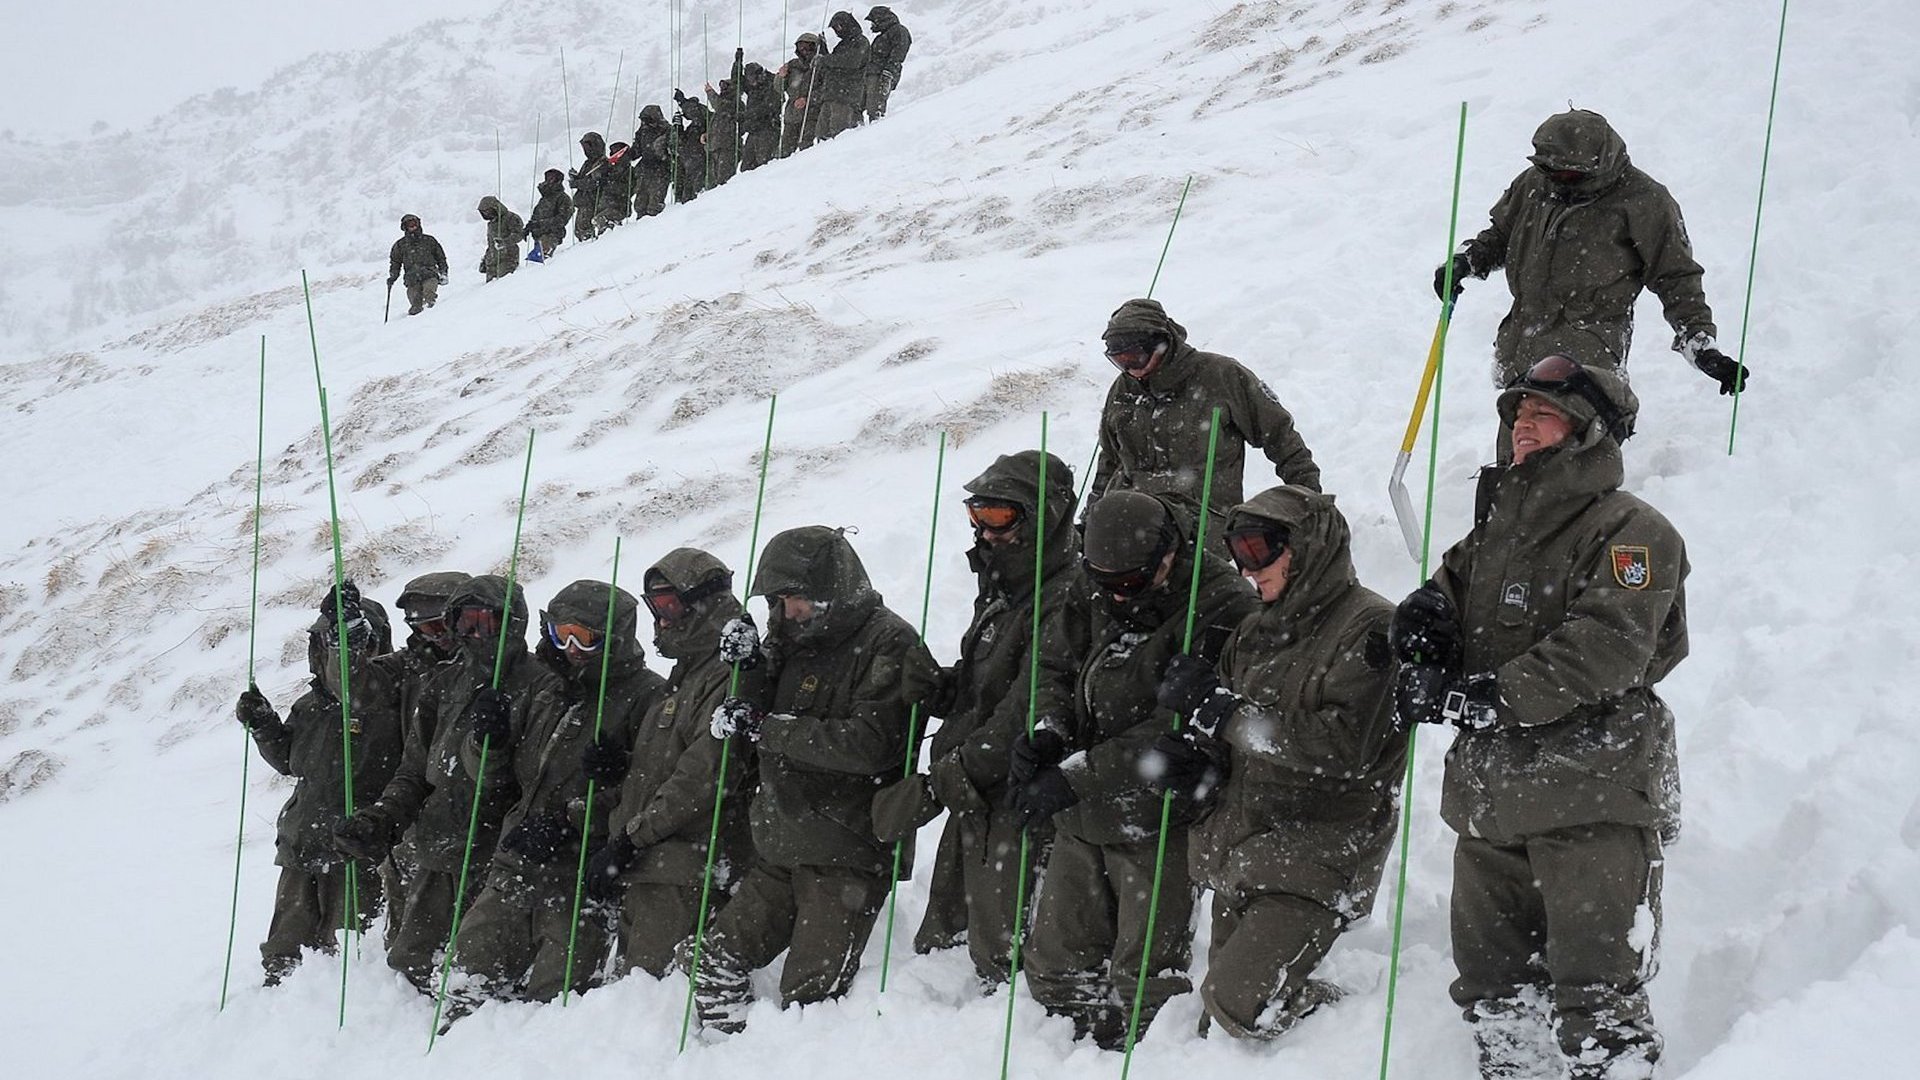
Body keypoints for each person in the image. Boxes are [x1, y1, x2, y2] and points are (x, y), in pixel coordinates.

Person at [1391, 353, 1686, 1080]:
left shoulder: (1633, 531)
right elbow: (1446, 598)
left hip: (1591, 791)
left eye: (1542, 412)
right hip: (1492, 804)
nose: (1522, 422)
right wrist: (1422, 628)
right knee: (1497, 999)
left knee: (1597, 1001)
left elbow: (1609, 645)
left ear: (1586, 431)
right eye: (1516, 411)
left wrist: (1491, 697)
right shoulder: (1497, 529)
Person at [1150, 486, 1406, 1039]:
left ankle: (1338, 1021)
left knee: (1236, 1005)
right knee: (1213, 1029)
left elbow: (1345, 748)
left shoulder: (1371, 628)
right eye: (1238, 553)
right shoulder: (1252, 632)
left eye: (1260, 551)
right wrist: (1200, 765)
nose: (1247, 569)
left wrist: (1226, 715)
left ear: (1307, 548)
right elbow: (1232, 738)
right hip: (1242, 852)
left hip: (1317, 855)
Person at [1014, 492, 1259, 1048]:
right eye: (1103, 579)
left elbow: (1173, 727)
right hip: (1081, 812)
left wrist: (1074, 775)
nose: (1113, 593)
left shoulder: (1219, 603)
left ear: (1168, 553)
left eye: (1129, 582)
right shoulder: (1095, 579)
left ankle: (1144, 1057)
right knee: (1055, 970)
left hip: (1162, 812)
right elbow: (1053, 661)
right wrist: (1049, 728)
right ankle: (1061, 1052)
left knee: (1145, 982)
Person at [693, 526, 939, 1034]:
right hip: (781, 843)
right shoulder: (791, 639)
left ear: (831, 589)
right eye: (779, 602)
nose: (787, 612)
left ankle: (785, 1063)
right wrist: (750, 669)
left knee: (810, 1002)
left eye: (796, 599)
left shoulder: (889, 641)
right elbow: (761, 714)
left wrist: (768, 729)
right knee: (714, 965)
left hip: (845, 851)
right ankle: (731, 1064)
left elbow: (871, 744)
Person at [331, 574, 567, 992]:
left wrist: (490, 744)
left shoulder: (542, 686)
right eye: (463, 622)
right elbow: (415, 771)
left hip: (496, 856)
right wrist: (383, 818)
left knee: (477, 978)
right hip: (438, 852)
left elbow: (528, 781)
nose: (472, 633)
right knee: (410, 967)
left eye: (484, 622)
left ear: (511, 623)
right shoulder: (445, 683)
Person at [441, 580, 666, 1017]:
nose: (570, 647)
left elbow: (651, 790)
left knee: (554, 1004)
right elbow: (493, 777)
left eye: (583, 637)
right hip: (516, 862)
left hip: (582, 877)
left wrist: (575, 819)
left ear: (614, 637)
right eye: (558, 633)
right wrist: (487, 740)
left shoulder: (647, 697)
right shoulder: (547, 690)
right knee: (465, 982)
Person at [910, 451, 1086, 988]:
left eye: (1000, 518)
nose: (985, 532)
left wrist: (957, 770)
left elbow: (1029, 702)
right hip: (976, 799)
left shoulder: (1064, 596)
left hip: (1018, 798)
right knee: (941, 947)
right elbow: (988, 680)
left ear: (1043, 516)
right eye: (976, 516)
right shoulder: (1005, 585)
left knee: (1001, 963)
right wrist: (941, 687)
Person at [1438, 109, 1748, 397]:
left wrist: (1701, 344)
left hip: (1587, 359)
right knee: (1518, 447)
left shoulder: (1644, 200)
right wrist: (1468, 260)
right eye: (1548, 169)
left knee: (1578, 451)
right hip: (1522, 348)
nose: (1556, 180)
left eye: (1569, 175)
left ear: (1596, 165)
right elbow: (1502, 234)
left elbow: (1675, 277)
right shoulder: (1537, 182)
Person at [583, 548, 757, 978]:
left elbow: (703, 778)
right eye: (654, 607)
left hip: (686, 873)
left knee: (654, 1004)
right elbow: (663, 768)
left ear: (704, 603)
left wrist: (630, 839)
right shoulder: (685, 677)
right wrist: (621, 768)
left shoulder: (729, 675)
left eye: (670, 605)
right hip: (652, 869)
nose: (661, 618)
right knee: (633, 999)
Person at [235, 582, 404, 985]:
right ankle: (274, 995)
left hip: (356, 843)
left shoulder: (388, 702)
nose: (325, 654)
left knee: (345, 946)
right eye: (323, 644)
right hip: (302, 839)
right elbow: (291, 761)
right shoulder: (310, 704)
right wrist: (264, 726)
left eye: (339, 645)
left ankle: (335, 1006)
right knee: (286, 940)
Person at [1090, 298, 1322, 542]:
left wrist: (1308, 503)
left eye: (1135, 357)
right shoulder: (1124, 389)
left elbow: (1280, 436)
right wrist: (1092, 516)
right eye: (1119, 361)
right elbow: (1110, 458)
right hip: (1130, 513)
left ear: (1162, 343)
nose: (1130, 369)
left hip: (1199, 519)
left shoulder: (1221, 376)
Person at [373, 571, 472, 950]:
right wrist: (340, 639)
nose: (432, 635)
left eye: (437, 623)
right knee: (405, 898)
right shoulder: (407, 667)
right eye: (420, 626)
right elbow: (354, 685)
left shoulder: (495, 668)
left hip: (468, 812)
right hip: (411, 802)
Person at [815, 12, 870, 141]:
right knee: (822, 135)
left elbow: (851, 61)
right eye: (834, 29)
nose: (837, 31)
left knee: (840, 136)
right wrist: (823, 50)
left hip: (846, 97)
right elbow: (833, 65)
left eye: (838, 27)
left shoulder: (860, 41)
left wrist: (825, 59)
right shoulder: (842, 45)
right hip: (831, 95)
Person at [388, 214, 448, 316]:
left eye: (414, 223)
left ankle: (435, 317)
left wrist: (443, 272)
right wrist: (393, 277)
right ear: (404, 227)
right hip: (412, 279)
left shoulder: (429, 240)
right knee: (416, 306)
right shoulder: (400, 245)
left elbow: (441, 258)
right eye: (409, 224)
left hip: (430, 274)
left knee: (429, 296)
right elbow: (395, 263)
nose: (412, 226)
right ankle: (416, 326)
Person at [778, 33, 826, 158]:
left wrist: (808, 99)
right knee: (785, 151)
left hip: (812, 114)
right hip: (792, 115)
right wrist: (780, 77)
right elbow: (779, 88)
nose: (804, 51)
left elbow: (826, 89)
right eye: (801, 47)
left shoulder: (821, 64)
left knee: (806, 149)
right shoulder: (792, 65)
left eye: (807, 47)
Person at [863, 6, 911, 121]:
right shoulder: (884, 35)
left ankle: (875, 127)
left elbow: (898, 54)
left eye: (873, 21)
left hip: (882, 74)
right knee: (869, 104)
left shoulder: (898, 31)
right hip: (874, 73)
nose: (872, 25)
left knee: (875, 106)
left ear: (880, 19)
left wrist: (888, 73)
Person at [631, 106, 674, 218]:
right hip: (645, 170)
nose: (645, 123)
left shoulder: (667, 130)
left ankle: (655, 228)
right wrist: (625, 155)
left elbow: (673, 149)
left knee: (654, 205)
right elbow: (636, 151)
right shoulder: (643, 131)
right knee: (640, 205)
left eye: (648, 119)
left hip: (661, 170)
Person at [739, 61, 782, 171]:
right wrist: (737, 61)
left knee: (765, 164)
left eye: (752, 78)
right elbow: (737, 80)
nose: (751, 81)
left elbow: (769, 106)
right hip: (754, 130)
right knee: (746, 167)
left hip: (767, 130)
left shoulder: (772, 84)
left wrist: (746, 115)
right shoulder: (753, 88)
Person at [569, 132, 611, 242]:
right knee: (580, 230)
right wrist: (576, 177)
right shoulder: (588, 163)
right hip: (585, 201)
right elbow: (585, 178)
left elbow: (593, 182)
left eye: (588, 146)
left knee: (586, 230)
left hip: (593, 200)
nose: (586, 150)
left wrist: (577, 183)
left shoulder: (602, 162)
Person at [523, 170, 573, 260]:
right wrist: (529, 227)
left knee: (542, 261)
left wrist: (540, 224)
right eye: (547, 178)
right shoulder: (544, 199)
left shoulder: (563, 198)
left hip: (552, 236)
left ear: (558, 180)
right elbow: (535, 216)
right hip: (539, 237)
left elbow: (562, 219)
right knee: (533, 264)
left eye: (552, 178)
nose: (549, 181)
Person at [705, 75, 742, 187]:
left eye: (726, 88)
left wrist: (710, 92)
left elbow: (719, 105)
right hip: (716, 146)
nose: (723, 90)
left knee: (724, 180)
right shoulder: (720, 111)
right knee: (715, 181)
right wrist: (707, 135)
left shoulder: (736, 104)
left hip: (728, 147)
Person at [476, 196, 523, 281]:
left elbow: (519, 235)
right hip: (492, 263)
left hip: (507, 259)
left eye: (488, 211)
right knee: (491, 291)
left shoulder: (511, 218)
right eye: (483, 212)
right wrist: (486, 258)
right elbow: (491, 244)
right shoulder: (491, 224)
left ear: (495, 208)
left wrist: (504, 242)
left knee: (504, 286)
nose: (486, 214)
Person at [597, 142, 637, 232]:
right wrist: (603, 174)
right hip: (606, 206)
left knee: (602, 221)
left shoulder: (630, 171)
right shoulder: (610, 170)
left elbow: (628, 189)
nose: (612, 155)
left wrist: (609, 182)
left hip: (619, 206)